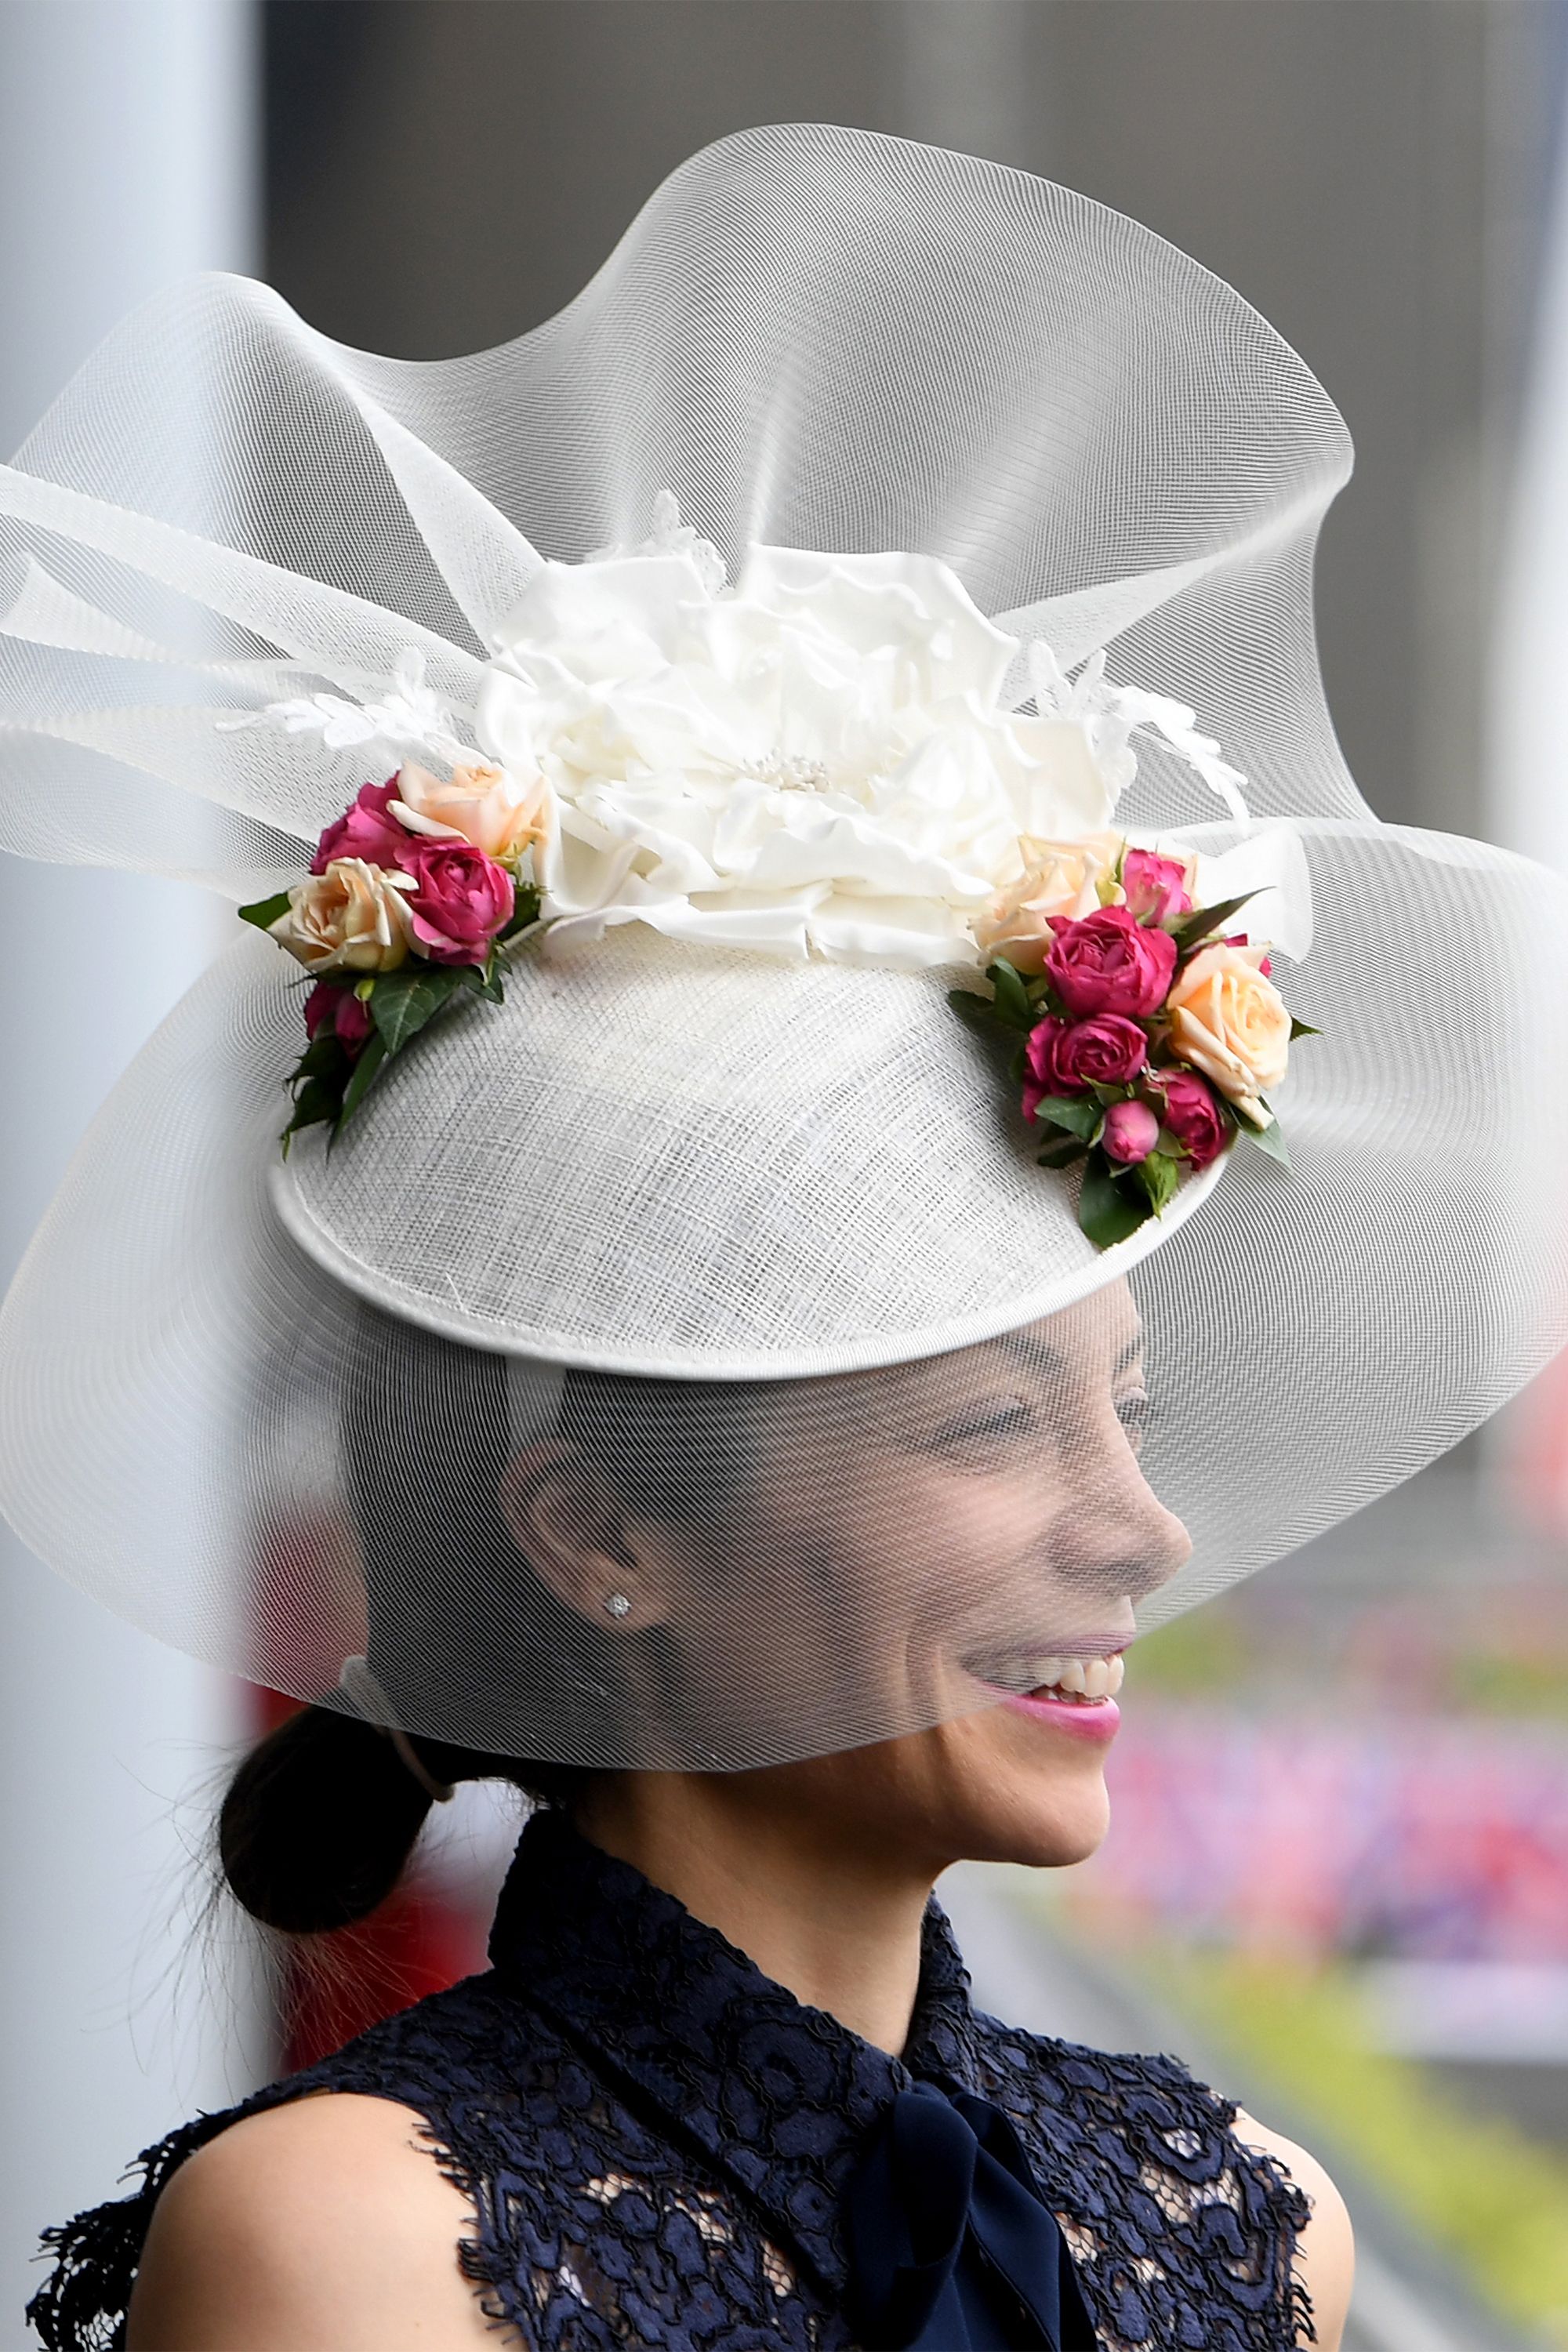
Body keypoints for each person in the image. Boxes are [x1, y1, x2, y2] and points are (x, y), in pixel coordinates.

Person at [4, 124, 1564, 2350]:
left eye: (1126, 1408)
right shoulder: (349, 2252)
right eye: (992, 1426)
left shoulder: (1249, 2231)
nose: (1138, 1530)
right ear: (595, 1528)